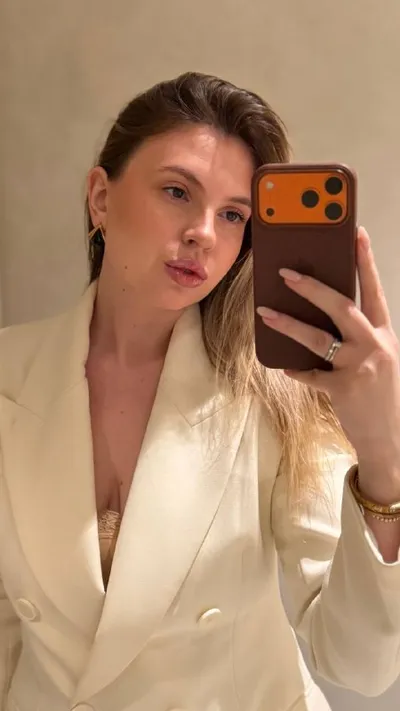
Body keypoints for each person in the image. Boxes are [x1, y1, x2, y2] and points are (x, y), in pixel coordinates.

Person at [0, 71, 400, 711]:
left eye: (234, 214)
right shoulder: (7, 375)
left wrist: (383, 453)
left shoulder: (277, 392)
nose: (204, 233)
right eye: (177, 191)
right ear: (101, 198)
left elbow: (359, 661)